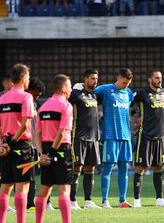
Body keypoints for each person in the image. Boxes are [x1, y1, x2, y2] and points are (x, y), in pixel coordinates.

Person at [0, 63, 34, 223]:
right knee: (22, 188)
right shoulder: (26, 97)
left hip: (4, 146)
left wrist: (2, 143)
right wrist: (12, 141)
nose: (29, 81)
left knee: (5, 186)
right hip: (21, 145)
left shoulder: (1, 99)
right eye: (28, 77)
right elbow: (24, 124)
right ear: (23, 79)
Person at [34, 74, 73, 223]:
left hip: (45, 149)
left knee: (44, 189)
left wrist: (42, 153)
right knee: (64, 191)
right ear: (63, 88)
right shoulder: (66, 106)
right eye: (69, 87)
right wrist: (51, 153)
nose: (70, 90)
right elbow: (62, 132)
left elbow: (37, 134)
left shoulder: (43, 107)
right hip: (61, 149)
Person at [95, 68, 135, 208]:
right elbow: (89, 93)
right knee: (108, 167)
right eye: (124, 82)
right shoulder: (105, 90)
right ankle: (105, 201)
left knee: (124, 168)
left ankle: (122, 200)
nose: (125, 85)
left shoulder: (129, 93)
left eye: (128, 83)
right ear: (118, 78)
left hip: (125, 136)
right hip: (110, 135)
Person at [132, 70, 164, 207]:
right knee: (140, 167)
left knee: (159, 167)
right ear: (150, 79)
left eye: (160, 78)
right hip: (146, 136)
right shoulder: (142, 93)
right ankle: (137, 201)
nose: (159, 80)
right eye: (156, 78)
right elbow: (129, 103)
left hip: (160, 137)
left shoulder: (162, 92)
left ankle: (159, 199)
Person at [68, 69, 102, 209]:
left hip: (93, 137)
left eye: (96, 78)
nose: (95, 81)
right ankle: (72, 201)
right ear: (85, 79)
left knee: (90, 168)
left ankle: (88, 201)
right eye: (92, 78)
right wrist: (75, 87)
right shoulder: (75, 94)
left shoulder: (95, 95)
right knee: (77, 167)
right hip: (78, 137)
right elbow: (64, 98)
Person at [0, 72, 15, 212]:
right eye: (12, 82)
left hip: (10, 140)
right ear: (6, 82)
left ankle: (0, 203)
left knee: (5, 172)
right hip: (1, 139)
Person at [26, 77, 49, 211]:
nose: (38, 95)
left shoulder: (36, 104)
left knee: (32, 175)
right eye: (36, 92)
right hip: (24, 143)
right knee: (25, 176)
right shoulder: (23, 101)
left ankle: (30, 203)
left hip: (34, 144)